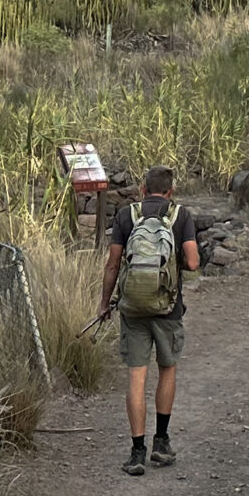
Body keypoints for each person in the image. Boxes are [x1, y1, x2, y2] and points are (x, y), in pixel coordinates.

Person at [99, 165, 200, 476]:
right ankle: (161, 442)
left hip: (132, 310)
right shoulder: (181, 216)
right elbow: (193, 262)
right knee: (167, 369)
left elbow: (112, 266)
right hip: (168, 309)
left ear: (143, 190)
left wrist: (104, 304)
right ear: (170, 191)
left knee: (136, 377)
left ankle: (137, 452)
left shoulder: (126, 216)